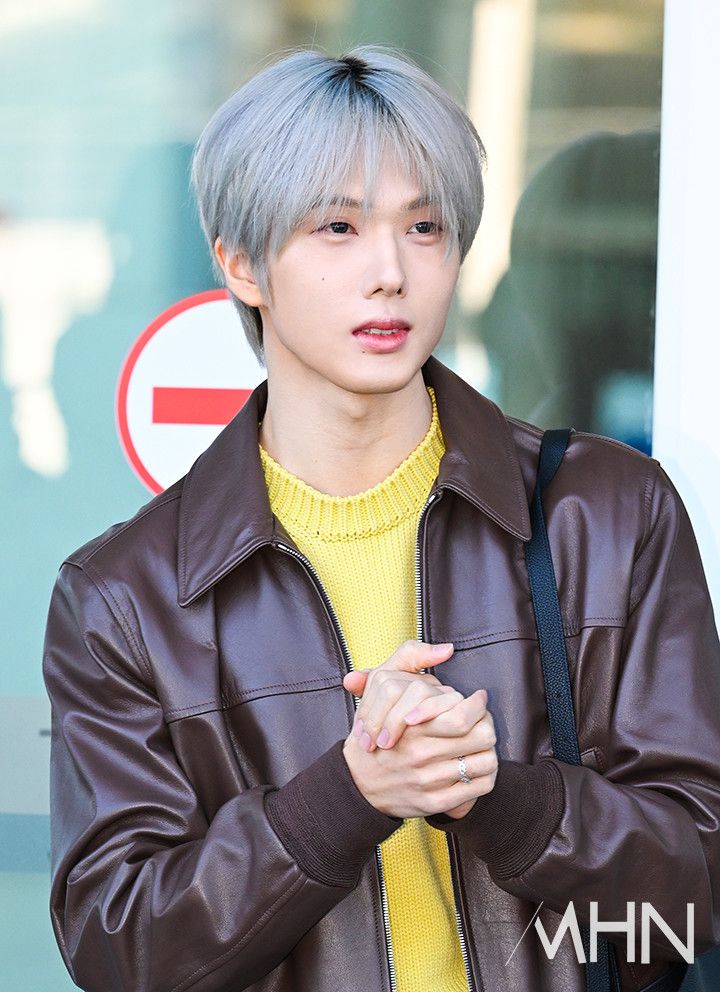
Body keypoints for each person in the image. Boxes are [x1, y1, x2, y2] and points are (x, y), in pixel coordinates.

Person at [42, 45, 720, 992]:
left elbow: (695, 896)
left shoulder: (604, 514)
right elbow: (124, 954)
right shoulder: (128, 596)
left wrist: (502, 797)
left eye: (425, 226)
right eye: (338, 227)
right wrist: (349, 796)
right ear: (240, 262)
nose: (390, 271)